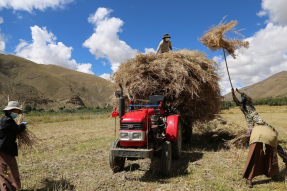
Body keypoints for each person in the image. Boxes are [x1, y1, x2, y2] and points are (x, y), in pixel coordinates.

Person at [232, 88, 287, 187]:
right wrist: (232, 93)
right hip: (251, 127)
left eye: (243, 97)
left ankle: (282, 160)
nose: (243, 98)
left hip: (260, 122)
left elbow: (248, 97)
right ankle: (250, 176)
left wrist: (240, 92)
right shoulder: (241, 105)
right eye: (242, 97)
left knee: (273, 143)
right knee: (254, 147)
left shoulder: (249, 102)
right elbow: (236, 101)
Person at [0, 101, 27, 191]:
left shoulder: (6, 119)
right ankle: (10, 188)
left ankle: (6, 188)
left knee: (4, 170)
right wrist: (23, 125)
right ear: (9, 111)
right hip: (5, 149)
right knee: (9, 169)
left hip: (4, 148)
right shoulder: (7, 120)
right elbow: (18, 129)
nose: (17, 113)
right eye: (16, 111)